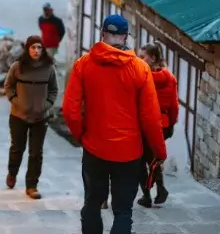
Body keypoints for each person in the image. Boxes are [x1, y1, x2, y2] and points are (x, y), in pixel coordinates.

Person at [62, 14, 167, 234]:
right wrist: (159, 151)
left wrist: (82, 136)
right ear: (125, 36)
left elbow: (71, 110)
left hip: (95, 148)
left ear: (103, 34)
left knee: (92, 203)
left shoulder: (83, 64)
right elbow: (151, 117)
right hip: (128, 153)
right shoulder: (140, 69)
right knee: (123, 211)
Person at [4, 36, 59, 199]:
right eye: (33, 47)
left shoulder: (49, 68)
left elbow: (54, 90)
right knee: (17, 148)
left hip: (40, 117)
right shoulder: (18, 67)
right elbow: (8, 86)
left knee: (36, 152)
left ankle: (32, 185)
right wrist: (16, 102)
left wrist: (46, 105)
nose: (36, 51)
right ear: (27, 49)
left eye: (39, 47)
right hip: (18, 115)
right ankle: (12, 172)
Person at [136, 42, 178, 208]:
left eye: (142, 57)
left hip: (147, 124)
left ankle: (147, 194)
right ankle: (160, 189)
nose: (140, 60)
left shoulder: (144, 78)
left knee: (140, 159)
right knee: (153, 157)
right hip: (164, 124)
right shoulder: (171, 78)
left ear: (152, 58)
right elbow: (174, 106)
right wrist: (171, 124)